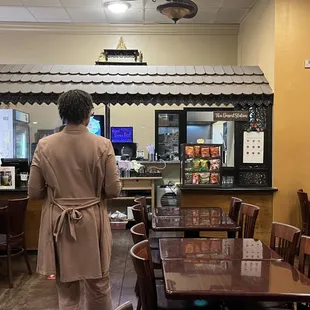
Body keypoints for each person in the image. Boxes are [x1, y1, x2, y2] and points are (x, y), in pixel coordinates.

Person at [28, 89, 121, 310]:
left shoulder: (44, 145)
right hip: (92, 221)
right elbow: (114, 189)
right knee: (98, 285)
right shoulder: (103, 144)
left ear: (62, 114)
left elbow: (34, 192)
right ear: (88, 114)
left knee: (67, 288)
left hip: (59, 222)